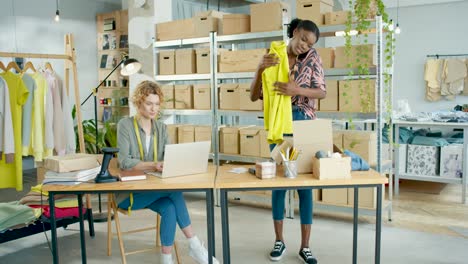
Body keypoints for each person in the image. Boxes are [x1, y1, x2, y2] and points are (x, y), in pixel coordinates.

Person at [117, 80, 219, 264]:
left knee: (170, 208)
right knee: (174, 192)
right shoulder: (125, 125)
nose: (153, 109)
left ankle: (166, 260)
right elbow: (124, 162)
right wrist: (155, 165)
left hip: (153, 189)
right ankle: (194, 244)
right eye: (149, 103)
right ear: (138, 102)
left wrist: (172, 164)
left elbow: (169, 158)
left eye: (156, 104)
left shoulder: (161, 128)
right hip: (129, 193)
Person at [250, 18, 326, 264]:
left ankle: (305, 246)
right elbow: (254, 96)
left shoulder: (313, 58)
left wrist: (297, 91)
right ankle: (279, 241)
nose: (305, 45)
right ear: (295, 32)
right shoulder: (273, 54)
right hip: (278, 125)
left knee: (305, 185)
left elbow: (321, 91)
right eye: (303, 38)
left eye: (310, 43)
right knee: (279, 183)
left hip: (304, 122)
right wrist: (260, 69)